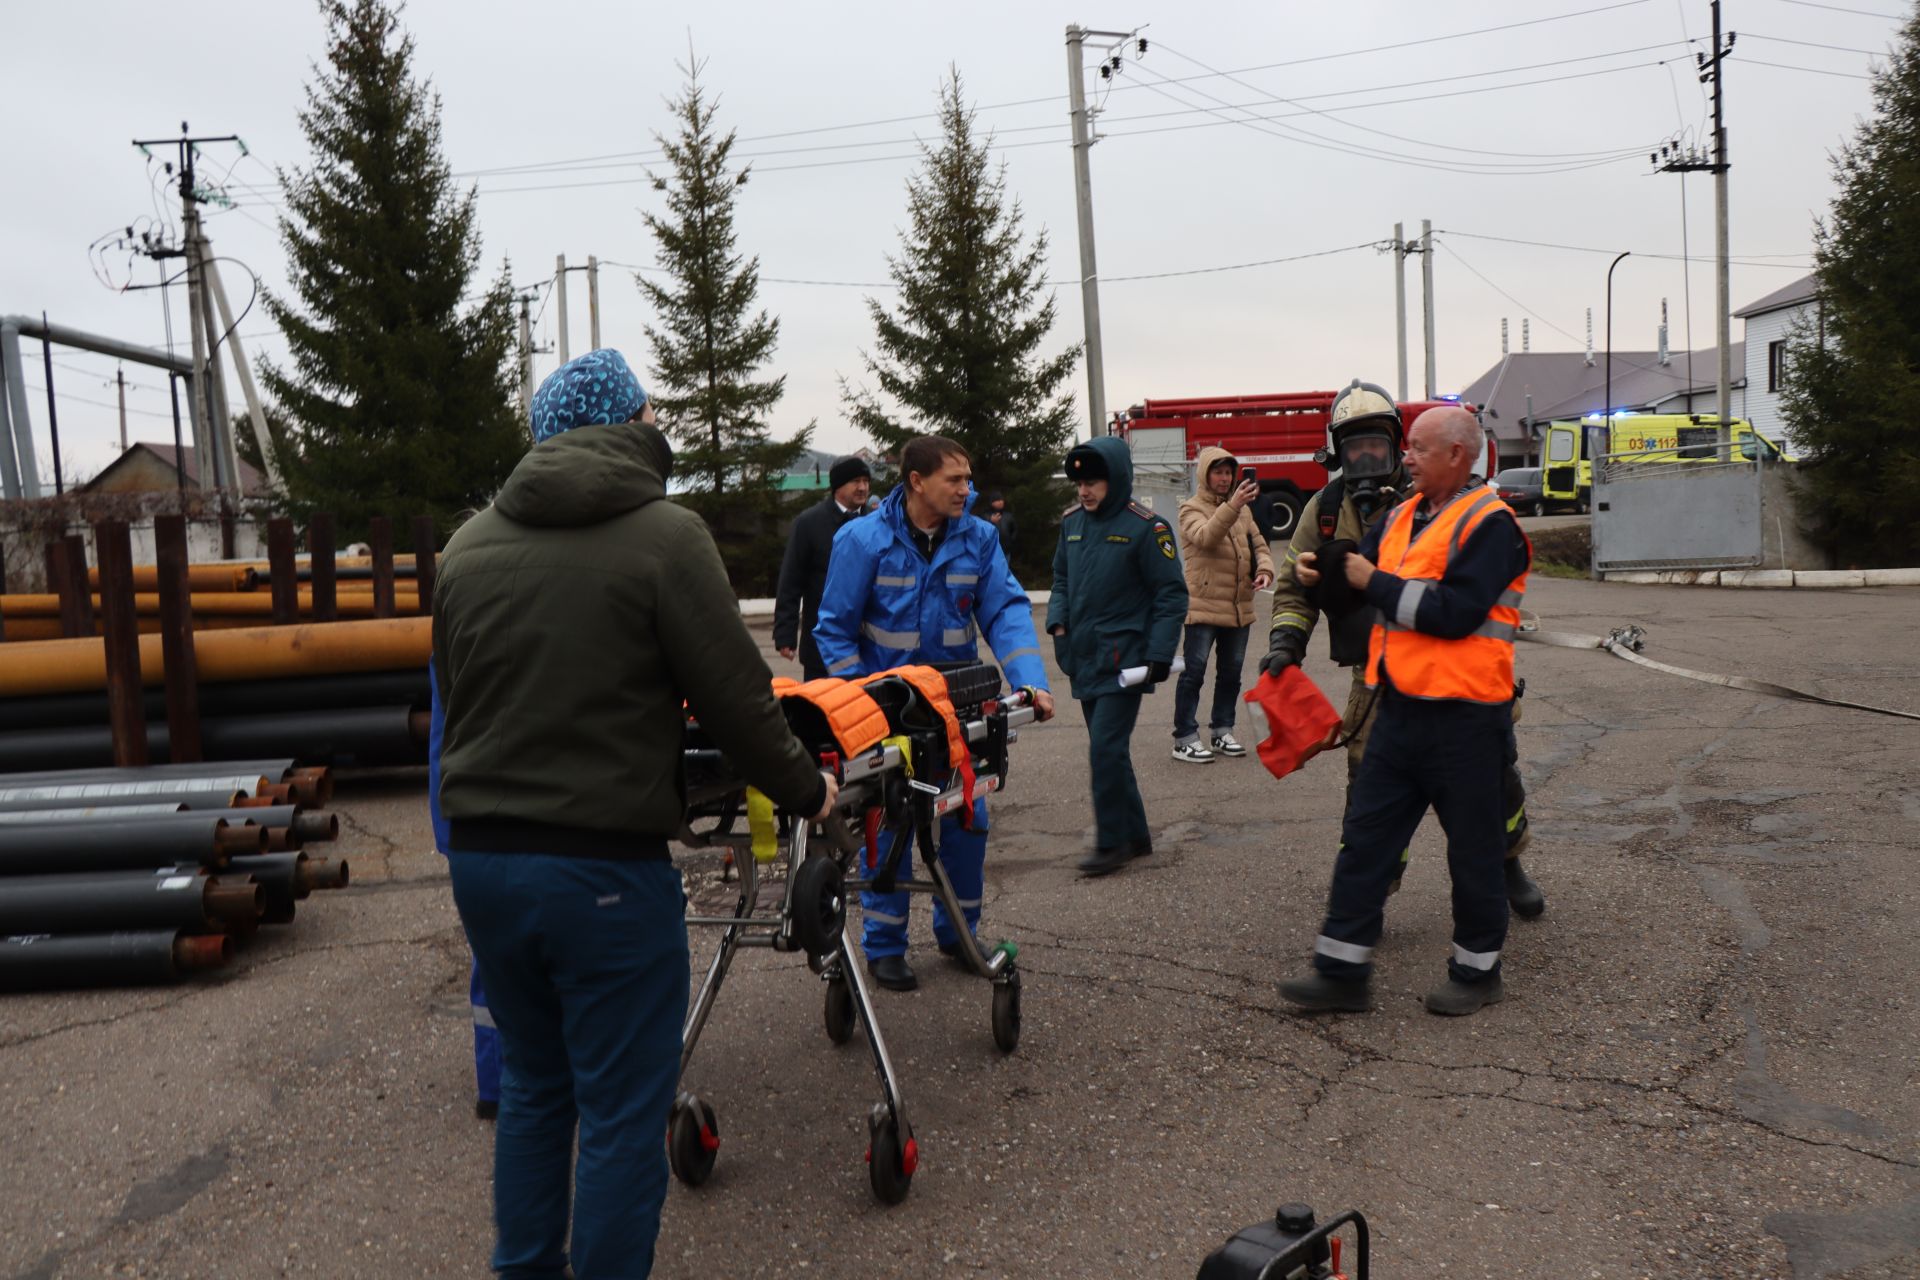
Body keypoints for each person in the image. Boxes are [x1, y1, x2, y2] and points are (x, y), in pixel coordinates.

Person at [433, 348, 839, 1279]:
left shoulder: (467, 547)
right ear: (631, 423)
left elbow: (460, 700)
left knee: (538, 1086)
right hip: (600, 871)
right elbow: (740, 704)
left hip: (485, 862)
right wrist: (810, 792)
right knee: (620, 1111)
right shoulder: (664, 535)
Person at [1277, 406, 1532, 1017]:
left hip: (1467, 718)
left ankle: (1476, 974)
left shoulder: (1491, 523)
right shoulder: (1400, 518)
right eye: (1408, 447)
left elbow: (1453, 612)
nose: (1405, 457)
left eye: (1419, 448)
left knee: (1472, 852)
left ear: (1458, 456)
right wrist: (1318, 574)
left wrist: (1370, 580)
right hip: (1398, 711)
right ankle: (1341, 972)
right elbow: (1353, 581)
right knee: (1364, 842)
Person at [813, 435, 1055, 992]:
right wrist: (859, 703)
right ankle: (885, 946)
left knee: (968, 819)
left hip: (954, 710)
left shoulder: (980, 539)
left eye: (968, 479)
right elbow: (835, 628)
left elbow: (1005, 612)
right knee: (889, 824)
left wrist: (1032, 685)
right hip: (885, 713)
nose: (966, 489)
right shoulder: (862, 540)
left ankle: (959, 936)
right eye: (956, 479)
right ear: (916, 481)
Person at [1047, 436, 1189, 876]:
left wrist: (1161, 652)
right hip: (1084, 655)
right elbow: (1061, 580)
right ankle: (1136, 835)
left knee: (1106, 749)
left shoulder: (1147, 528)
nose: (1084, 491)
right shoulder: (1072, 524)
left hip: (1125, 659)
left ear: (1117, 479)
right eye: (1079, 484)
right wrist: (1057, 622)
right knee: (1108, 748)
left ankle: (1111, 843)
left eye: (1093, 482)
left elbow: (1170, 595)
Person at [427, 660, 500, 1121]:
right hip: (516, 815)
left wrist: (447, 827)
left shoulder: (458, 613)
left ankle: (495, 1080)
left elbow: (442, 739)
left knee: (493, 954)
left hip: (473, 818)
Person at [1171, 447, 1276, 763]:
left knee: (1231, 673)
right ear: (1205, 474)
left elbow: (1259, 544)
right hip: (1203, 603)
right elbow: (1206, 537)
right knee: (1194, 672)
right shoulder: (1190, 509)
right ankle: (1184, 738)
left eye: (1228, 473)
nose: (1224, 478)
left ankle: (1222, 730)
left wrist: (1265, 570)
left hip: (1238, 603)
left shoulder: (1242, 510)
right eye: (1218, 472)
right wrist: (1233, 505)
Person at [774, 454, 872, 680]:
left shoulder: (876, 522)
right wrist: (785, 634)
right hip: (821, 650)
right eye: (855, 481)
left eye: (866, 482)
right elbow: (791, 581)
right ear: (838, 486)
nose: (862, 487)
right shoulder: (810, 523)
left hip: (868, 647)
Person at [983, 490, 1016, 555]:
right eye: (998, 500)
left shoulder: (1008, 515)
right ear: (992, 503)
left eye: (1001, 500)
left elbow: (1014, 529)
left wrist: (1010, 541)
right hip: (990, 552)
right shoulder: (985, 515)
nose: (1001, 502)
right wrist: (990, 520)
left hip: (1006, 551)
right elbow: (981, 530)